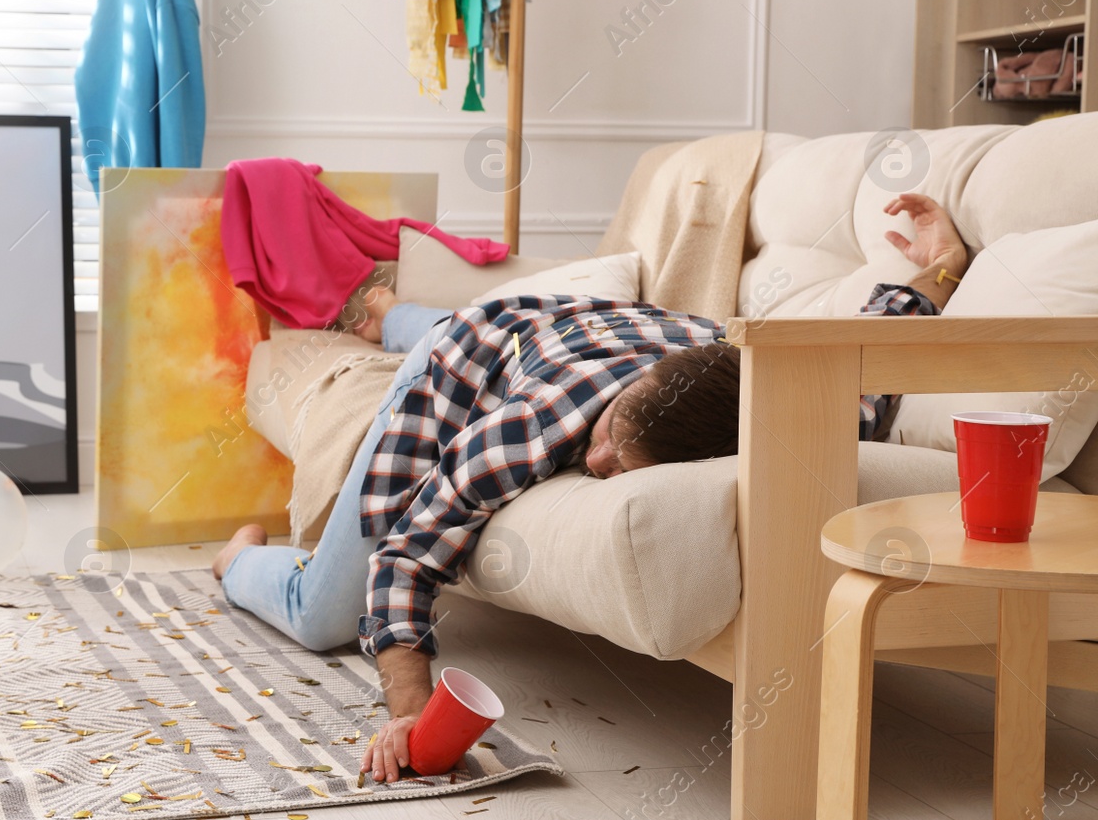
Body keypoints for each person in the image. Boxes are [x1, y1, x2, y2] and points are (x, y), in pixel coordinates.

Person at [210, 193, 970, 783]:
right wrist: (410, 709)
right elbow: (408, 552)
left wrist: (941, 267)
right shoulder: (536, 424)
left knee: (480, 322)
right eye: (606, 437)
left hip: (581, 330)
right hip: (490, 344)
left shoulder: (776, 400)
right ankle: (237, 558)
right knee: (322, 614)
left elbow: (864, 364)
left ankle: (396, 315)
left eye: (619, 464)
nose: (599, 462)